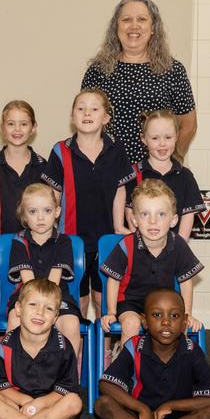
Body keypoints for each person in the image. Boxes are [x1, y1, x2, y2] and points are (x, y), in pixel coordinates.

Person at [95, 288, 210, 419]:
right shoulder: (134, 346)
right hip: (139, 417)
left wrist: (172, 406)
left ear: (185, 322)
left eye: (174, 316)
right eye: (157, 315)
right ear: (144, 321)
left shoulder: (191, 350)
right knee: (103, 404)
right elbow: (106, 385)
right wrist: (142, 409)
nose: (166, 322)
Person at [41, 88, 134, 324]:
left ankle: (104, 353)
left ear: (106, 118)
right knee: (77, 301)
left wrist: (118, 226)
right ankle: (79, 353)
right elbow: (54, 194)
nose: (87, 113)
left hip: (106, 239)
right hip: (72, 240)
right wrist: (51, 227)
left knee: (103, 299)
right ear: (72, 116)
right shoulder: (60, 151)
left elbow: (120, 190)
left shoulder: (117, 150)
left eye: (94, 109)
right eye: (80, 108)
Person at [81, 0, 197, 163]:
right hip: (107, 169)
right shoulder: (98, 71)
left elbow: (188, 125)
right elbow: (86, 121)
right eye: (126, 19)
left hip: (155, 173)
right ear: (116, 27)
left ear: (153, 28)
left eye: (142, 19)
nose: (134, 26)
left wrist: (171, 161)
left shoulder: (173, 70)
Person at [0, 278, 83, 419]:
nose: (40, 313)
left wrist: (40, 404)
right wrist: (26, 401)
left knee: (74, 402)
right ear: (19, 309)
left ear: (55, 317)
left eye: (49, 308)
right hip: (17, 404)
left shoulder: (63, 347)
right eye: (33, 305)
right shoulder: (5, 345)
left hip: (50, 406)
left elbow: (67, 387)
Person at [100, 179, 204, 348]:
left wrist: (187, 314)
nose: (153, 221)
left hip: (164, 304)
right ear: (134, 219)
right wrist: (111, 312)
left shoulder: (178, 245)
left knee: (179, 325)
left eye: (161, 214)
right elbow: (113, 280)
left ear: (173, 220)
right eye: (145, 214)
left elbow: (186, 282)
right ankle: (128, 366)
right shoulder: (125, 246)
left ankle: (174, 365)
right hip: (131, 303)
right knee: (131, 324)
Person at [6, 184, 81, 358]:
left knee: (71, 323)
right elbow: (28, 281)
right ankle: (12, 370)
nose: (40, 217)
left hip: (57, 295)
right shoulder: (19, 242)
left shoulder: (63, 242)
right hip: (26, 295)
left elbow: (54, 280)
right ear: (24, 216)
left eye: (47, 211)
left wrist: (47, 306)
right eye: (33, 212)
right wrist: (37, 306)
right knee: (15, 318)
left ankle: (69, 377)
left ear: (57, 211)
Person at [0, 100, 46, 285]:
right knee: (3, 297)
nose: (17, 129)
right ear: (2, 127)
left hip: (36, 245)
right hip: (0, 245)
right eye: (11, 123)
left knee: (33, 292)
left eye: (24, 123)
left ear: (33, 128)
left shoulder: (43, 166)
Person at [125, 109, 205, 241]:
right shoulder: (133, 174)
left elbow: (188, 217)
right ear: (144, 139)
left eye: (168, 137)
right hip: (141, 251)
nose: (162, 143)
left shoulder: (185, 176)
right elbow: (130, 214)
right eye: (155, 138)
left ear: (177, 136)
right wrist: (140, 247)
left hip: (174, 254)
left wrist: (179, 249)